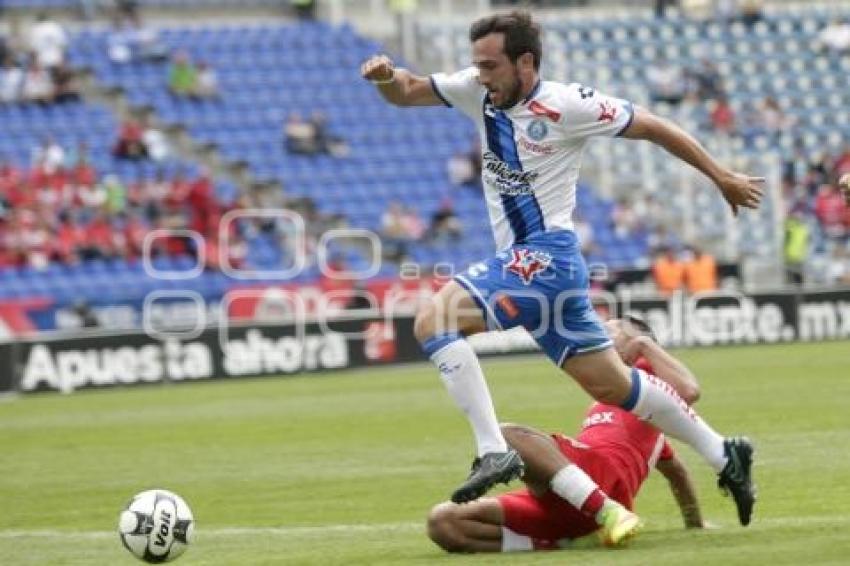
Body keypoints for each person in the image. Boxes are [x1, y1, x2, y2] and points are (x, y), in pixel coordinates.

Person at [360, 11, 760, 528]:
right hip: (545, 272)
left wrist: (721, 175)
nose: (481, 75)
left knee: (433, 321)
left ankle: (491, 450)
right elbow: (409, 90)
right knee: (614, 387)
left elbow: (655, 126)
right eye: (476, 64)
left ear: (525, 62)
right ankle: (724, 452)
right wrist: (387, 79)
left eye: (490, 65)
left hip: (544, 255)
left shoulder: (568, 104)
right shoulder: (476, 90)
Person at [428, 317, 706, 553]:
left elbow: (688, 391)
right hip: (568, 494)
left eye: (611, 331)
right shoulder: (633, 411)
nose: (600, 334)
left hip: (602, 479)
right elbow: (677, 473)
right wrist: (695, 524)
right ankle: (570, 541)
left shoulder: (645, 382)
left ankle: (609, 512)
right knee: (442, 522)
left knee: (504, 436)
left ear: (636, 347)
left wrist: (646, 346)